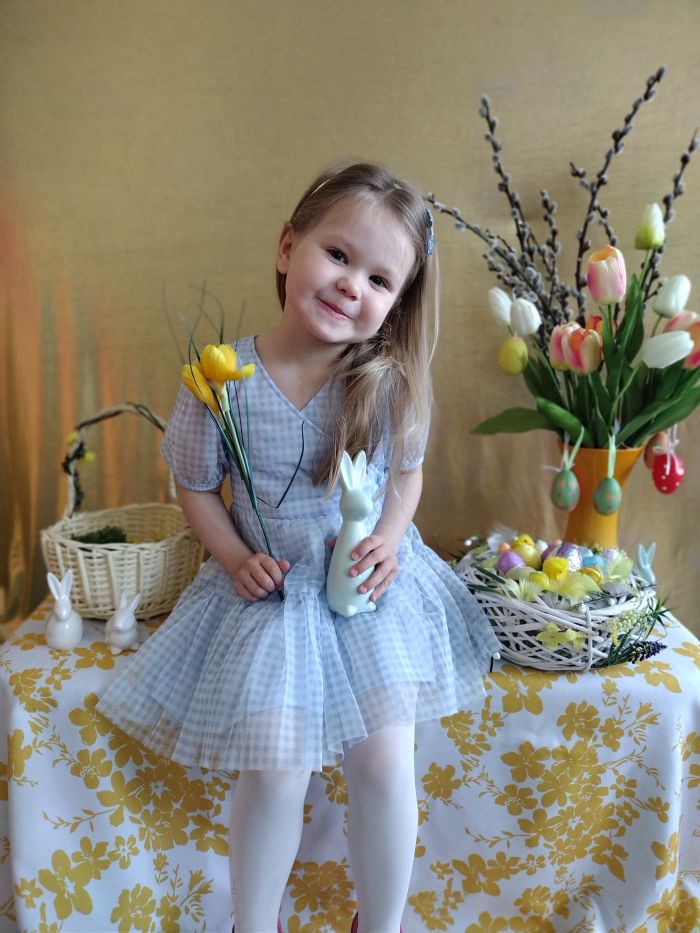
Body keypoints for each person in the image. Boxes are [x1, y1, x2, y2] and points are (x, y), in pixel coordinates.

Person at [97, 162, 500, 933]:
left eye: (379, 279)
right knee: (276, 772)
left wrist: (388, 537)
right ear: (288, 247)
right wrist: (231, 555)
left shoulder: (386, 384)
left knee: (384, 761)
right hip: (273, 596)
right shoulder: (221, 380)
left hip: (366, 598)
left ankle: (378, 923)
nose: (352, 285)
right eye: (338, 255)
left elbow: (406, 475)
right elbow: (194, 485)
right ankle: (256, 922)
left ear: (397, 303)